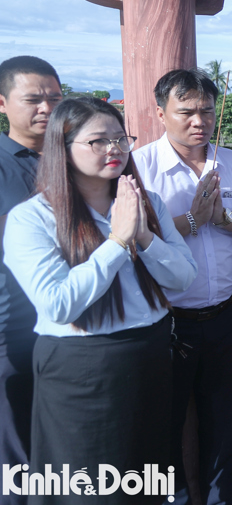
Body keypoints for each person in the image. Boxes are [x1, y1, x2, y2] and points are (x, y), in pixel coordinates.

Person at [3, 97, 197, 503]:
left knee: (146, 482)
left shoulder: (148, 204)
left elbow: (183, 278)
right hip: (83, 372)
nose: (114, 149)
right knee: (90, 489)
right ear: (63, 147)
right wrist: (117, 241)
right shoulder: (32, 218)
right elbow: (58, 304)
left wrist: (143, 236)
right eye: (97, 141)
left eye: (119, 138)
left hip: (150, 358)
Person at [133, 69, 232, 505]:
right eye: (185, 111)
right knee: (163, 422)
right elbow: (133, 240)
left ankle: (223, 499)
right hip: (167, 321)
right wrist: (189, 221)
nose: (198, 120)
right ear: (161, 112)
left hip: (225, 312)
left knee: (225, 421)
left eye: (206, 110)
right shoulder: (141, 167)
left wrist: (221, 217)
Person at [0, 56, 62, 501]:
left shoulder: (74, 160)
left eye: (55, 99)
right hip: (14, 330)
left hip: (71, 327)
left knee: (61, 446)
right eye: (33, 99)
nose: (46, 108)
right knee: (17, 454)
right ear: (3, 103)